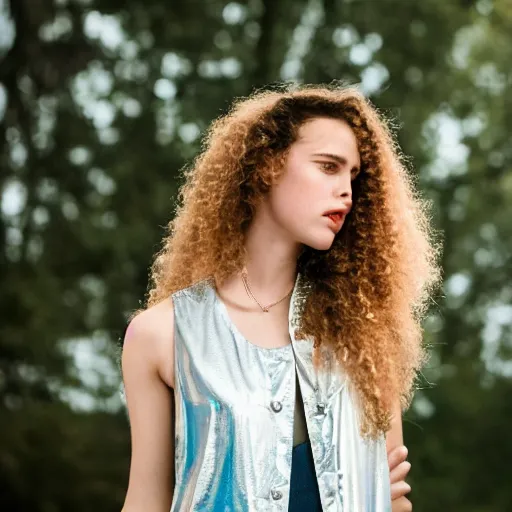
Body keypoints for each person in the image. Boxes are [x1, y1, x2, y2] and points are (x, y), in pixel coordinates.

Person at [120, 84, 442, 512]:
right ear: (267, 165)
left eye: (353, 175)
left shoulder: (365, 336)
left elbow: (394, 501)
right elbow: (145, 503)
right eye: (328, 167)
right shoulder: (160, 335)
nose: (346, 190)